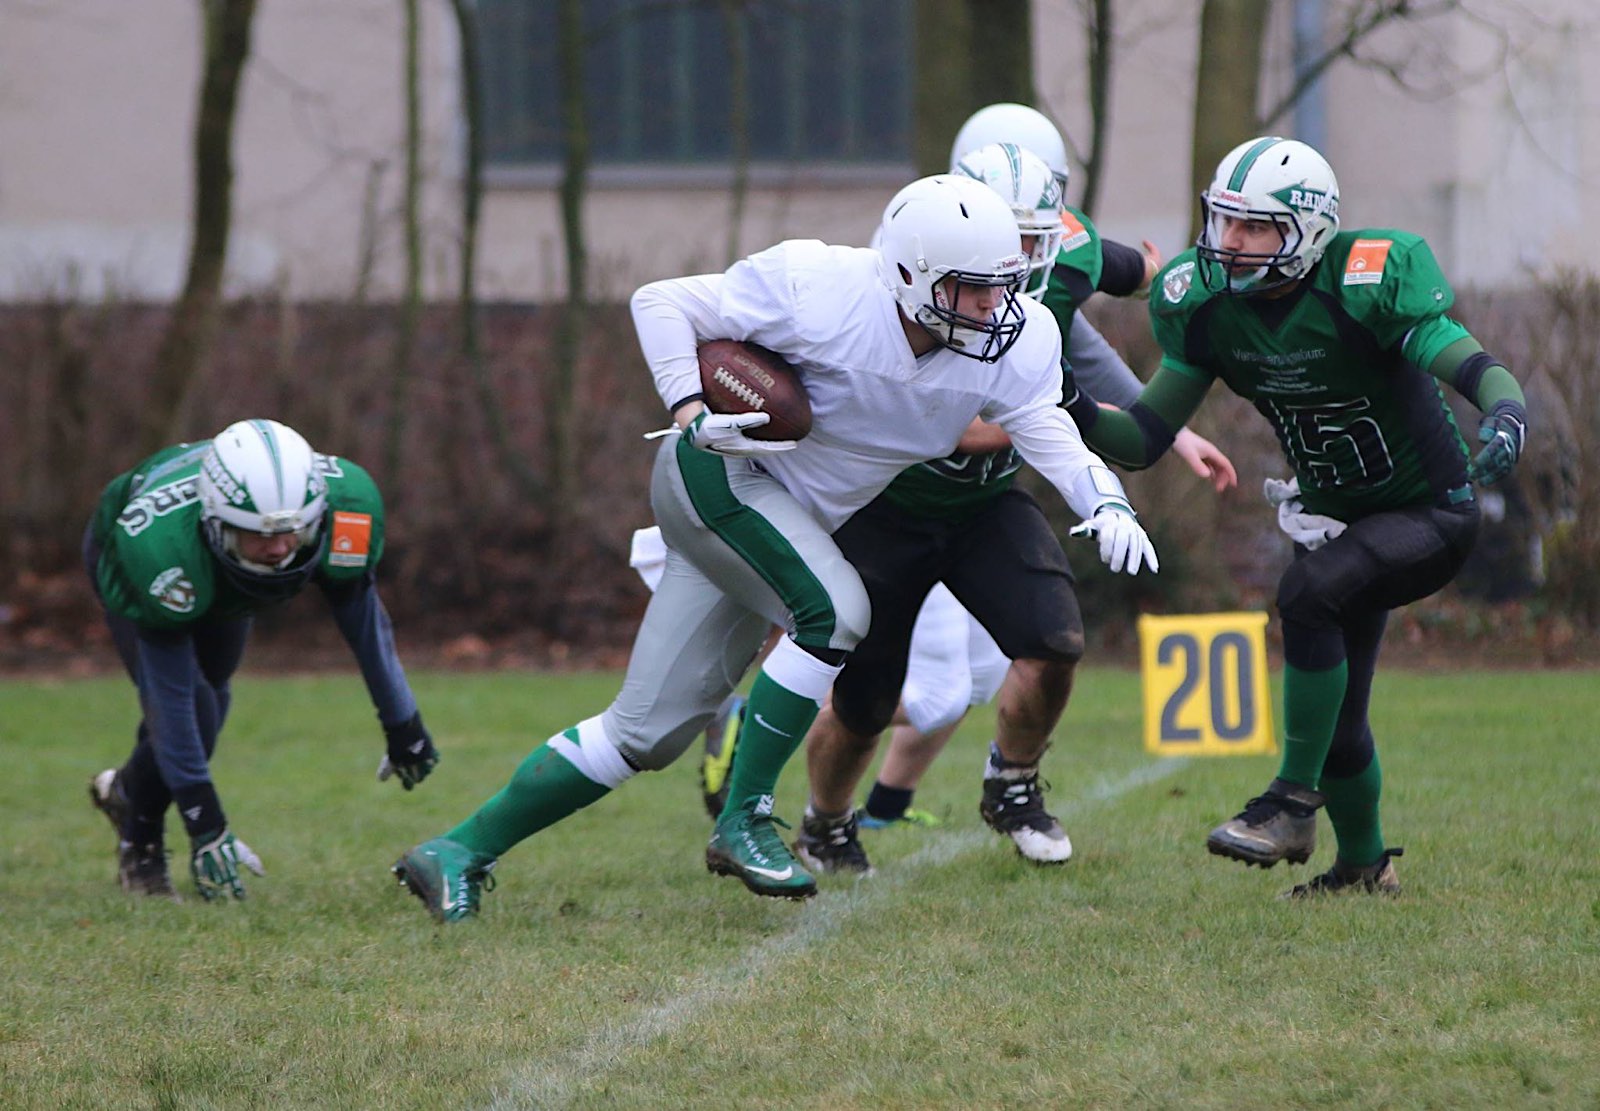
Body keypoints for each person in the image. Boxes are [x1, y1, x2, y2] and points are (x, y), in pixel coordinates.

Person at [390, 172, 1158, 921]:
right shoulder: (818, 286)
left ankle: (455, 851)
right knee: (836, 611)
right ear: (908, 273)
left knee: (643, 734)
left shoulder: (1017, 336)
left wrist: (1106, 500)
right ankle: (745, 816)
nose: (997, 305)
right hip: (721, 476)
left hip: (786, 518)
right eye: (974, 287)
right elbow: (659, 302)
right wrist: (691, 406)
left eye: (1005, 282)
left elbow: (1045, 425)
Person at [1065, 135, 1528, 897]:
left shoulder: (1366, 278)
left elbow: (1465, 360)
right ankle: (1362, 867)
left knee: (1309, 592)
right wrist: (1066, 400)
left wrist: (1507, 410)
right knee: (1340, 718)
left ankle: (1288, 802)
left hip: (1428, 513)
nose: (1231, 244)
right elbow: (1143, 438)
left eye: (1255, 228)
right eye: (1224, 221)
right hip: (1336, 518)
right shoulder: (1206, 307)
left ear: (1308, 230)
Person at [786, 128, 1235, 874]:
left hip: (985, 505)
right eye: (1005, 239)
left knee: (1054, 640)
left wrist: (1169, 413)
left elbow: (1128, 285)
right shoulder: (902, 271)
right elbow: (961, 428)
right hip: (886, 504)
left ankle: (1013, 781)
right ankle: (826, 823)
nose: (1017, 262)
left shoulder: (1067, 250)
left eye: (1035, 237)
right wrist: (1048, 419)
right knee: (866, 700)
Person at [85, 418, 439, 901]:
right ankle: (140, 839)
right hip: (148, 557)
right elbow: (165, 691)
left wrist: (404, 723)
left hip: (216, 570)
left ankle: (126, 792)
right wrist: (204, 821)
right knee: (196, 709)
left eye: (293, 531)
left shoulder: (346, 505)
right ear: (216, 521)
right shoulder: (158, 545)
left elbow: (362, 619)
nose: (277, 548)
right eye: (256, 534)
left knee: (213, 696)